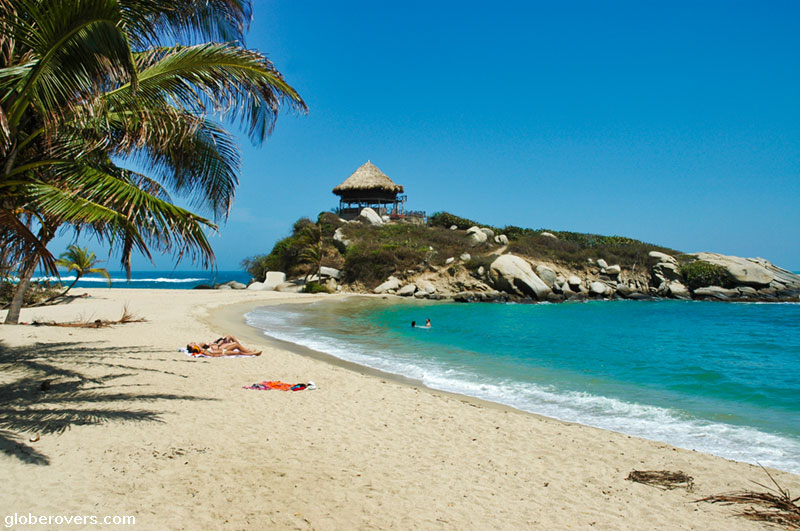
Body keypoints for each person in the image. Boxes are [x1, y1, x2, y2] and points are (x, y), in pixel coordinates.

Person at [187, 335, 261, 356]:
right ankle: (253, 353)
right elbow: (211, 353)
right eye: (191, 344)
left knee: (230, 338)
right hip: (222, 351)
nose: (191, 343)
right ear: (192, 347)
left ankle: (251, 352)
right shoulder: (198, 349)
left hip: (221, 350)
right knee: (238, 351)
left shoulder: (199, 347)